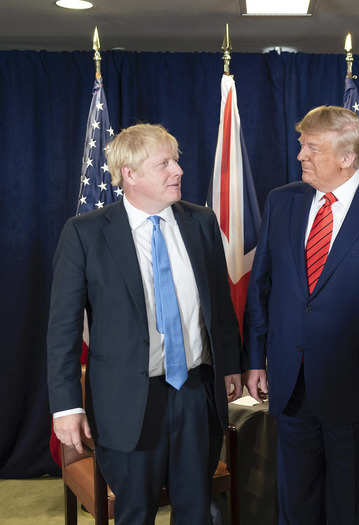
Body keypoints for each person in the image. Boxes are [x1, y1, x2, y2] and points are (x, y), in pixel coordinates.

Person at [47, 123, 242, 525]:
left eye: (177, 161)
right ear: (130, 175)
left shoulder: (201, 223)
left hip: (196, 394)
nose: (179, 171)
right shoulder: (84, 234)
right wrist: (66, 405)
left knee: (197, 511)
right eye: (164, 164)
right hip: (127, 402)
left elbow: (219, 308)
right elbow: (63, 330)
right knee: (135, 513)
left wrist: (232, 366)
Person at [245, 105, 359, 525]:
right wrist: (255, 359)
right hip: (290, 385)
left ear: (347, 157)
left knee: (350, 507)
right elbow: (261, 286)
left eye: (311, 148)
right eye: (301, 146)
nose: (301, 155)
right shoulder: (281, 201)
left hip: (357, 392)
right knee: (295, 503)